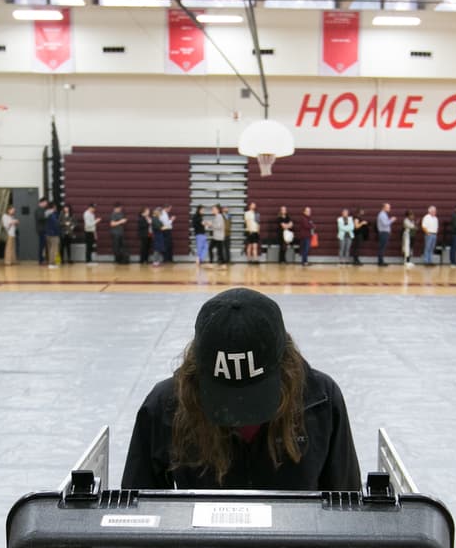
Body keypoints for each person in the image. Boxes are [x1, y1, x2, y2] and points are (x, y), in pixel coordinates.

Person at [121, 288, 360, 491]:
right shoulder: (166, 405)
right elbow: (136, 514)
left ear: (285, 364)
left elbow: (346, 506)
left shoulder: (321, 401)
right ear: (198, 372)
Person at [41, 201, 60, 266]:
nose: (56, 208)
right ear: (54, 207)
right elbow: (55, 224)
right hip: (53, 234)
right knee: (54, 249)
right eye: (55, 207)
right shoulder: (52, 214)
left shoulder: (46, 213)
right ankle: (52, 263)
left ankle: (52, 262)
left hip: (48, 234)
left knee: (50, 249)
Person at [376, 202, 395, 266]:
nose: (389, 209)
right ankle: (380, 262)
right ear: (384, 208)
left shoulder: (384, 214)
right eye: (388, 207)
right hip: (383, 232)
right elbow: (385, 223)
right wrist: (391, 220)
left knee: (382, 247)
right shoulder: (382, 214)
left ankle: (381, 261)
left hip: (385, 232)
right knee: (382, 247)